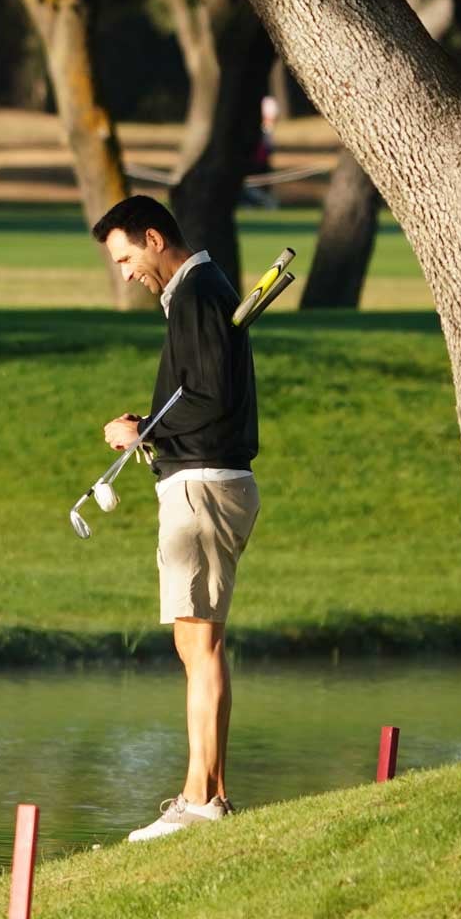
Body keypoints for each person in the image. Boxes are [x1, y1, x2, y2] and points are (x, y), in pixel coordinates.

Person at [90, 195, 261, 842]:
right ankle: (204, 793)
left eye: (128, 257)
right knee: (194, 642)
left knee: (200, 642)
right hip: (203, 483)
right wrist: (149, 427)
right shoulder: (198, 293)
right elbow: (199, 391)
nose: (127, 273)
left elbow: (212, 398)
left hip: (204, 488)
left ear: (155, 238)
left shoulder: (195, 293)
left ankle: (202, 800)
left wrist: (139, 429)